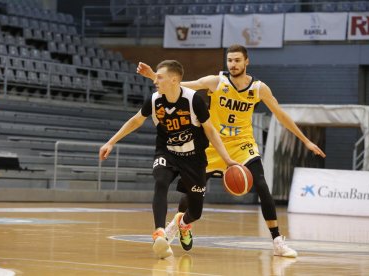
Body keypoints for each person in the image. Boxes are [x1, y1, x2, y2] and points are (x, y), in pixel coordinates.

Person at [137, 44, 326, 258]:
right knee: (192, 195)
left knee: (262, 185)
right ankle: (179, 224)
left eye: (237, 60)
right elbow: (181, 85)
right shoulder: (217, 82)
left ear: (247, 61)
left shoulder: (258, 88)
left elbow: (280, 114)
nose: (233, 64)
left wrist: (306, 141)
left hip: (242, 145)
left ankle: (277, 241)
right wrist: (154, 75)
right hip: (212, 144)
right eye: (230, 60)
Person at [99, 60, 238, 259]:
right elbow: (135, 120)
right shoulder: (155, 100)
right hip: (167, 153)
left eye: (160, 77)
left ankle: (183, 223)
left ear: (174, 80)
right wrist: (111, 142)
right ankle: (159, 232)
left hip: (194, 159)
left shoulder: (193, 101)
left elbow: (210, 131)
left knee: (196, 212)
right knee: (160, 181)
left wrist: (227, 159)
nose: (156, 80)